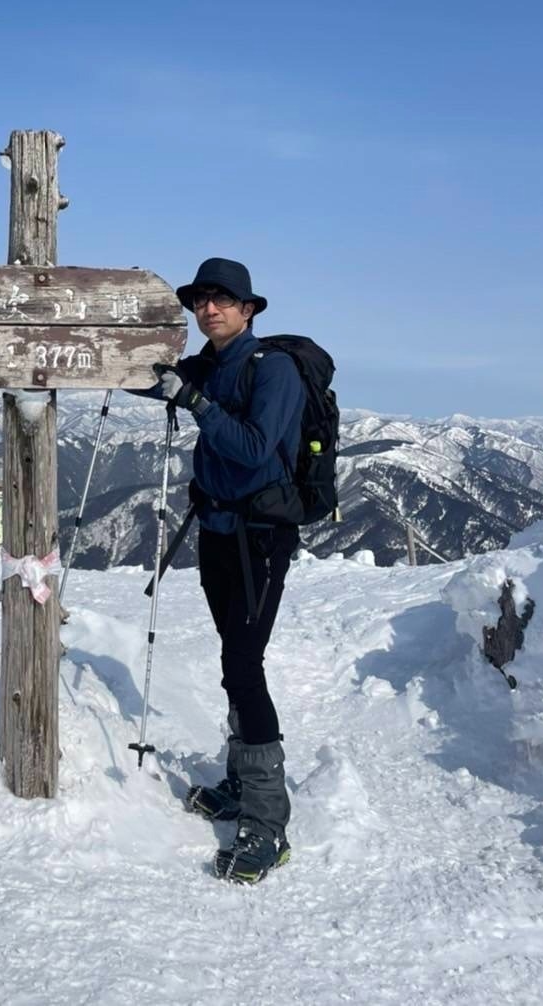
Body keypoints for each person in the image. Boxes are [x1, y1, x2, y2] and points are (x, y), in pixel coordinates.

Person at [151, 256, 304, 885]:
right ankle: (242, 787)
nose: (208, 309)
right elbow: (150, 379)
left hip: (260, 540)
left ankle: (268, 824)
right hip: (216, 533)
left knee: (244, 665)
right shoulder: (209, 364)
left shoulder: (276, 371)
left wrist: (193, 400)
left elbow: (250, 448)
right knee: (233, 658)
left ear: (248, 309)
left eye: (222, 300)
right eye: (200, 300)